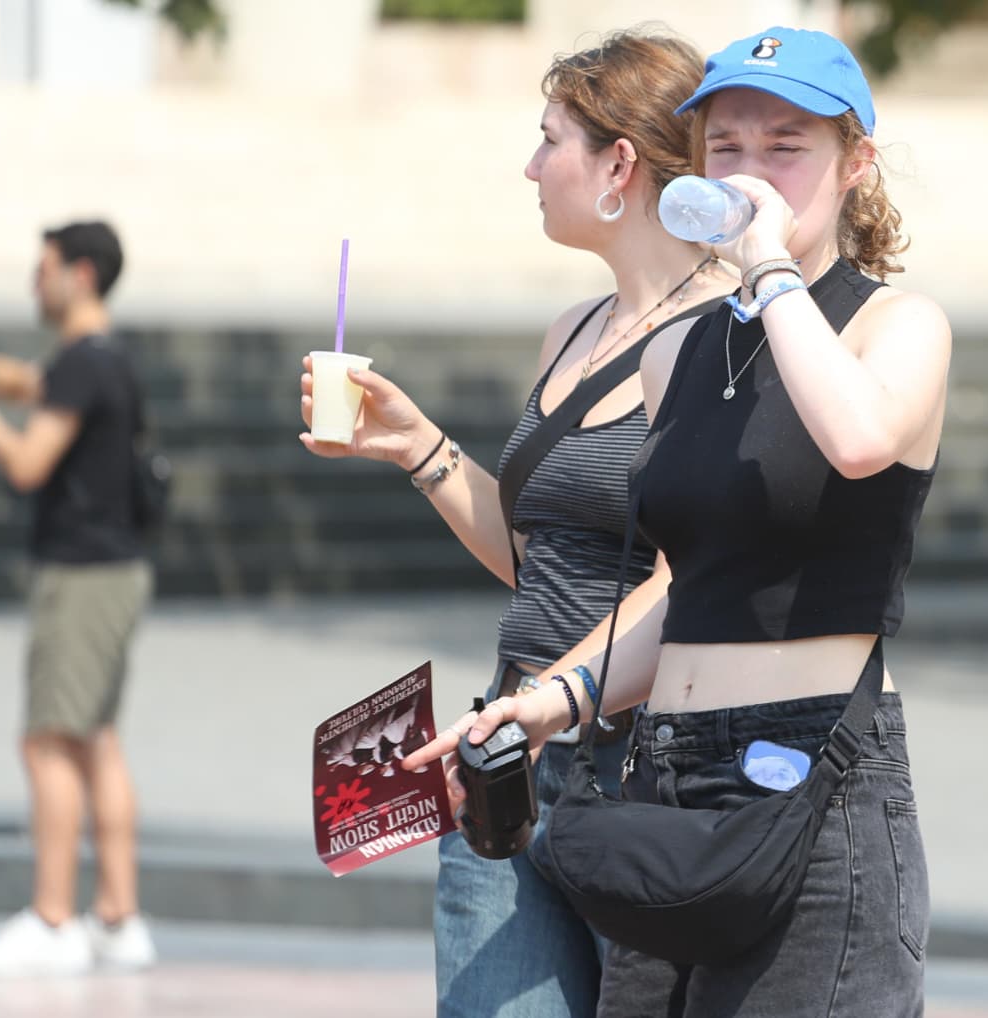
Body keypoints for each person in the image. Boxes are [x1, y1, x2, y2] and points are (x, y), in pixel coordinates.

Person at [407, 25, 951, 1018]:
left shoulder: (896, 325)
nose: (751, 171)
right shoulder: (680, 353)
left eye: (785, 146)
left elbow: (857, 438)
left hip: (812, 773)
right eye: (726, 145)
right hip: (668, 772)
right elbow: (686, 590)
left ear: (854, 163)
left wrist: (767, 269)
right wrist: (556, 699)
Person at [299, 29, 736, 1017]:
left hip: (637, 776)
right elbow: (536, 561)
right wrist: (416, 446)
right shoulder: (572, 330)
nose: (530, 167)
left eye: (549, 140)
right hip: (507, 763)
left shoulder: (723, 337)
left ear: (617, 164)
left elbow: (693, 574)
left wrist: (548, 702)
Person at [0, 220, 158, 977]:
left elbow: (28, 462)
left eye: (44, 267)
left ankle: (53, 920)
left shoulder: (84, 365)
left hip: (81, 576)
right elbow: (34, 383)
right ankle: (118, 919)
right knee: (95, 739)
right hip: (116, 569)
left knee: (49, 740)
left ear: (79, 274)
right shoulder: (104, 358)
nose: (35, 281)